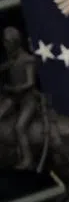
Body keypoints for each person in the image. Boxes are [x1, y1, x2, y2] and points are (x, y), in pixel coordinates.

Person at [0, 27, 44, 172]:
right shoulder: (12, 60)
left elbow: (30, 83)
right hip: (14, 99)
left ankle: (27, 159)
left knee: (20, 127)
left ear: (14, 42)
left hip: (28, 100)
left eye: (7, 42)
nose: (5, 45)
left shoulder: (27, 60)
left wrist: (14, 89)